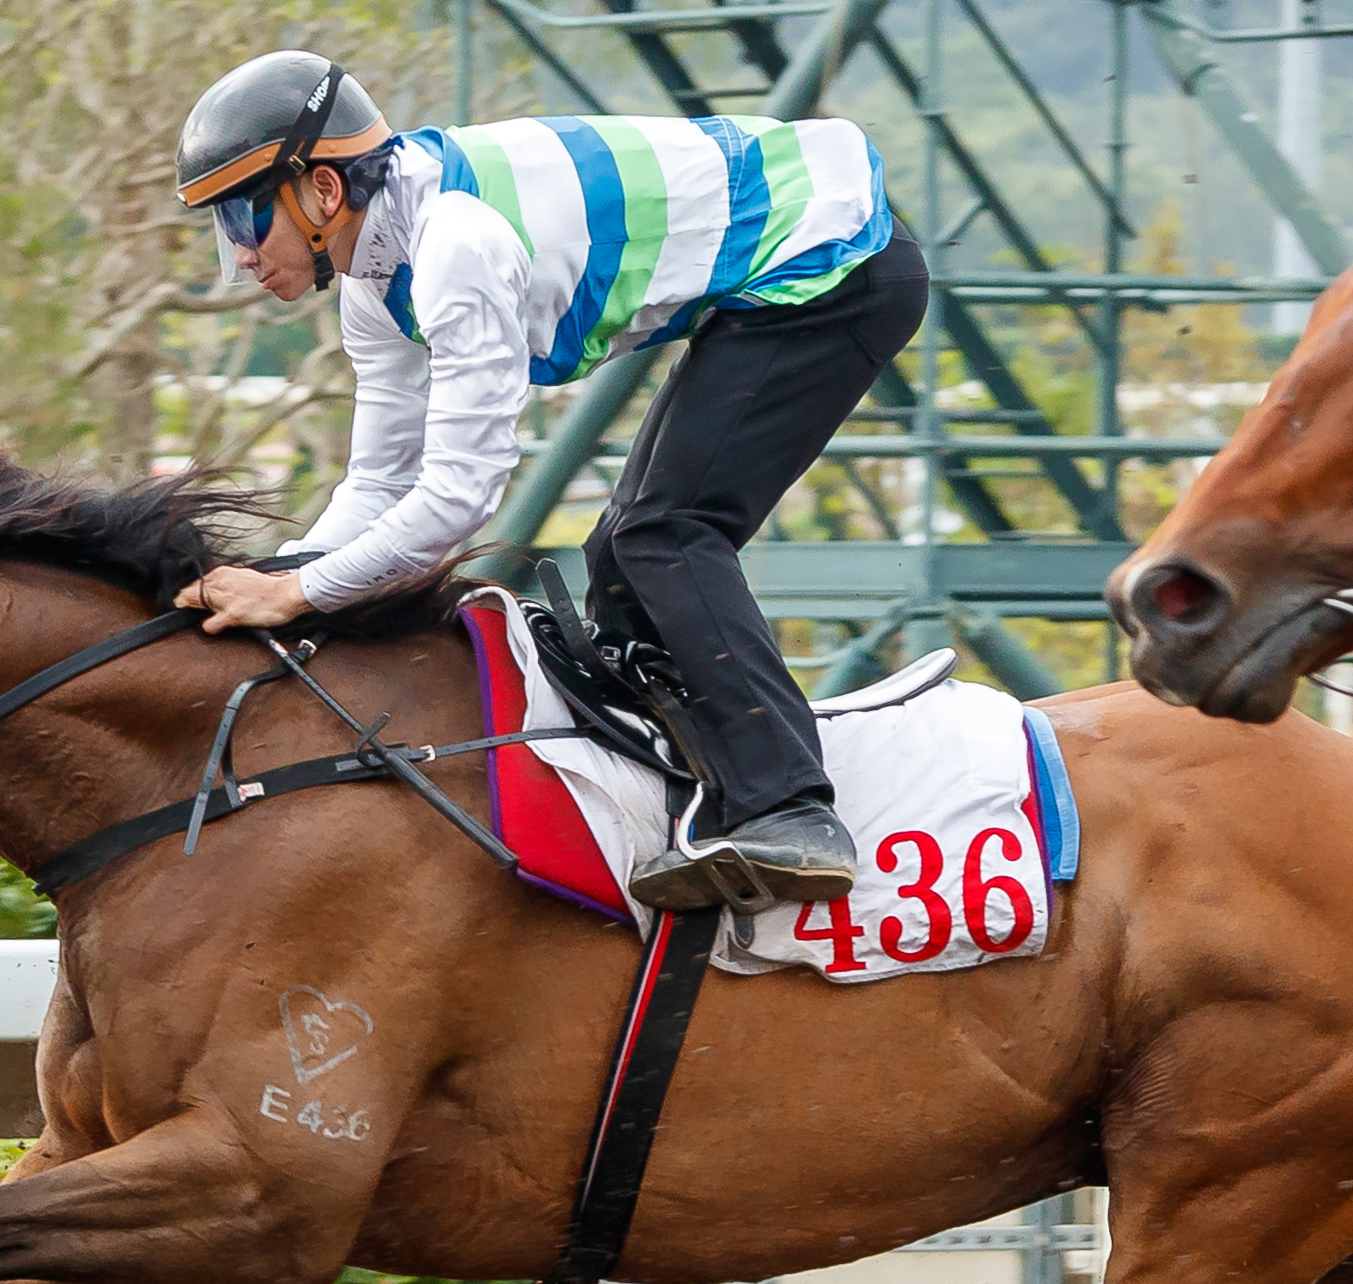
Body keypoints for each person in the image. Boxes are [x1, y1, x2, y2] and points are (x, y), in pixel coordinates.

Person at [169, 51, 927, 911]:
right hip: (782, 266)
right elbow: (379, 481)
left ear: (323, 193)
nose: (237, 253)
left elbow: (457, 501)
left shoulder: (457, 244)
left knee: (661, 537)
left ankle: (790, 810)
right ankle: (701, 789)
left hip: (838, 261)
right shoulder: (374, 282)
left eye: (241, 215)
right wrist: (279, 575)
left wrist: (302, 593)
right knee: (618, 552)